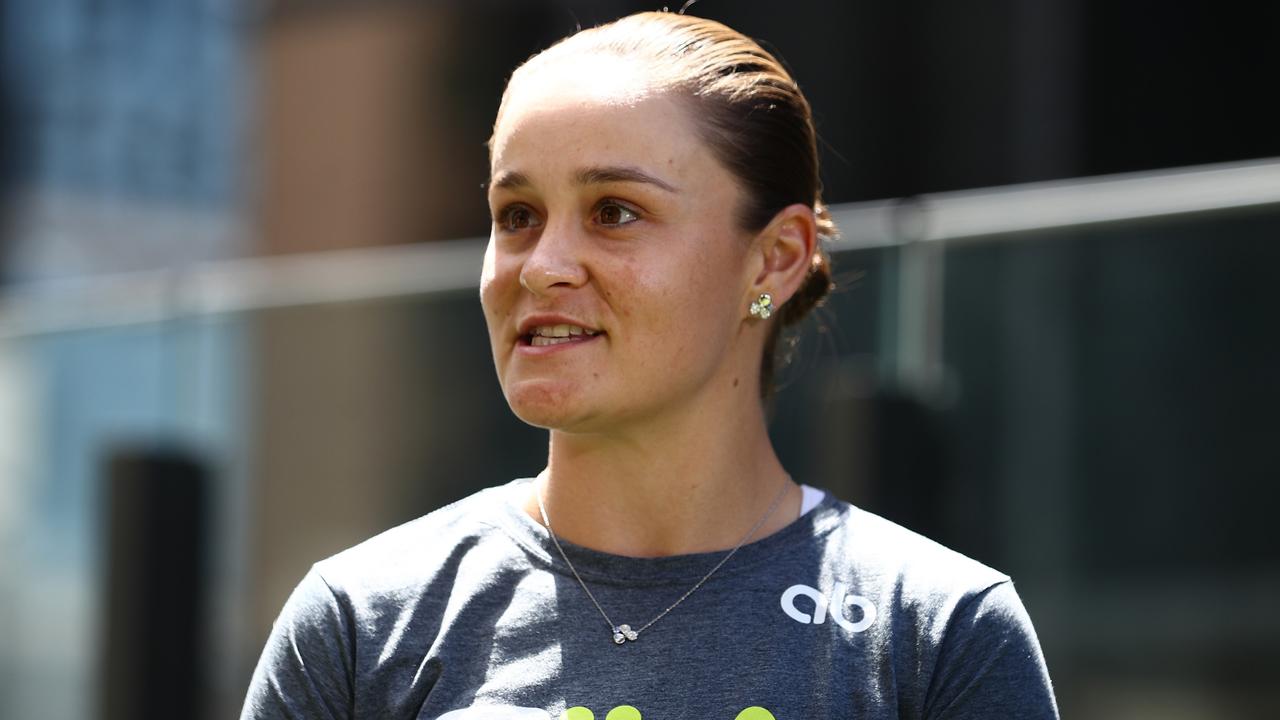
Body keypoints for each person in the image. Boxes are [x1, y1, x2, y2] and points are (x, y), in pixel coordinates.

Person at [240, 11, 1058, 720]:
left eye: (615, 212)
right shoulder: (359, 624)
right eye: (516, 215)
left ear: (773, 261)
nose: (543, 265)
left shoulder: (939, 633)